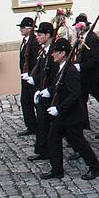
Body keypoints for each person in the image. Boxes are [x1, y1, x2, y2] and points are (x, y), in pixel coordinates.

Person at [39, 38, 99, 181]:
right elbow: (59, 87)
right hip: (63, 115)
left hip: (71, 115)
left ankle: (95, 167)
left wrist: (59, 109)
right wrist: (48, 91)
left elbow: (74, 95)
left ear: (63, 53)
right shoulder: (62, 67)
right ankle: (57, 170)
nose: (52, 54)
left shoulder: (70, 70)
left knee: (79, 143)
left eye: (55, 52)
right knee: (53, 139)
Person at [29, 22, 55, 161]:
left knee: (62, 128)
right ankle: (43, 150)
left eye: (40, 35)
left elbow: (55, 75)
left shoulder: (54, 52)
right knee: (42, 123)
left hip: (51, 94)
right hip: (42, 91)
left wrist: (49, 91)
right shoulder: (43, 50)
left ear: (48, 35)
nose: (37, 38)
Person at [17, 17, 40, 136]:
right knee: (25, 101)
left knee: (34, 101)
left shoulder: (34, 41)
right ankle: (31, 126)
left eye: (23, 27)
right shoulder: (25, 40)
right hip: (24, 75)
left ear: (30, 28)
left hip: (31, 76)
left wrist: (32, 75)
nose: (20, 29)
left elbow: (36, 61)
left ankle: (39, 125)